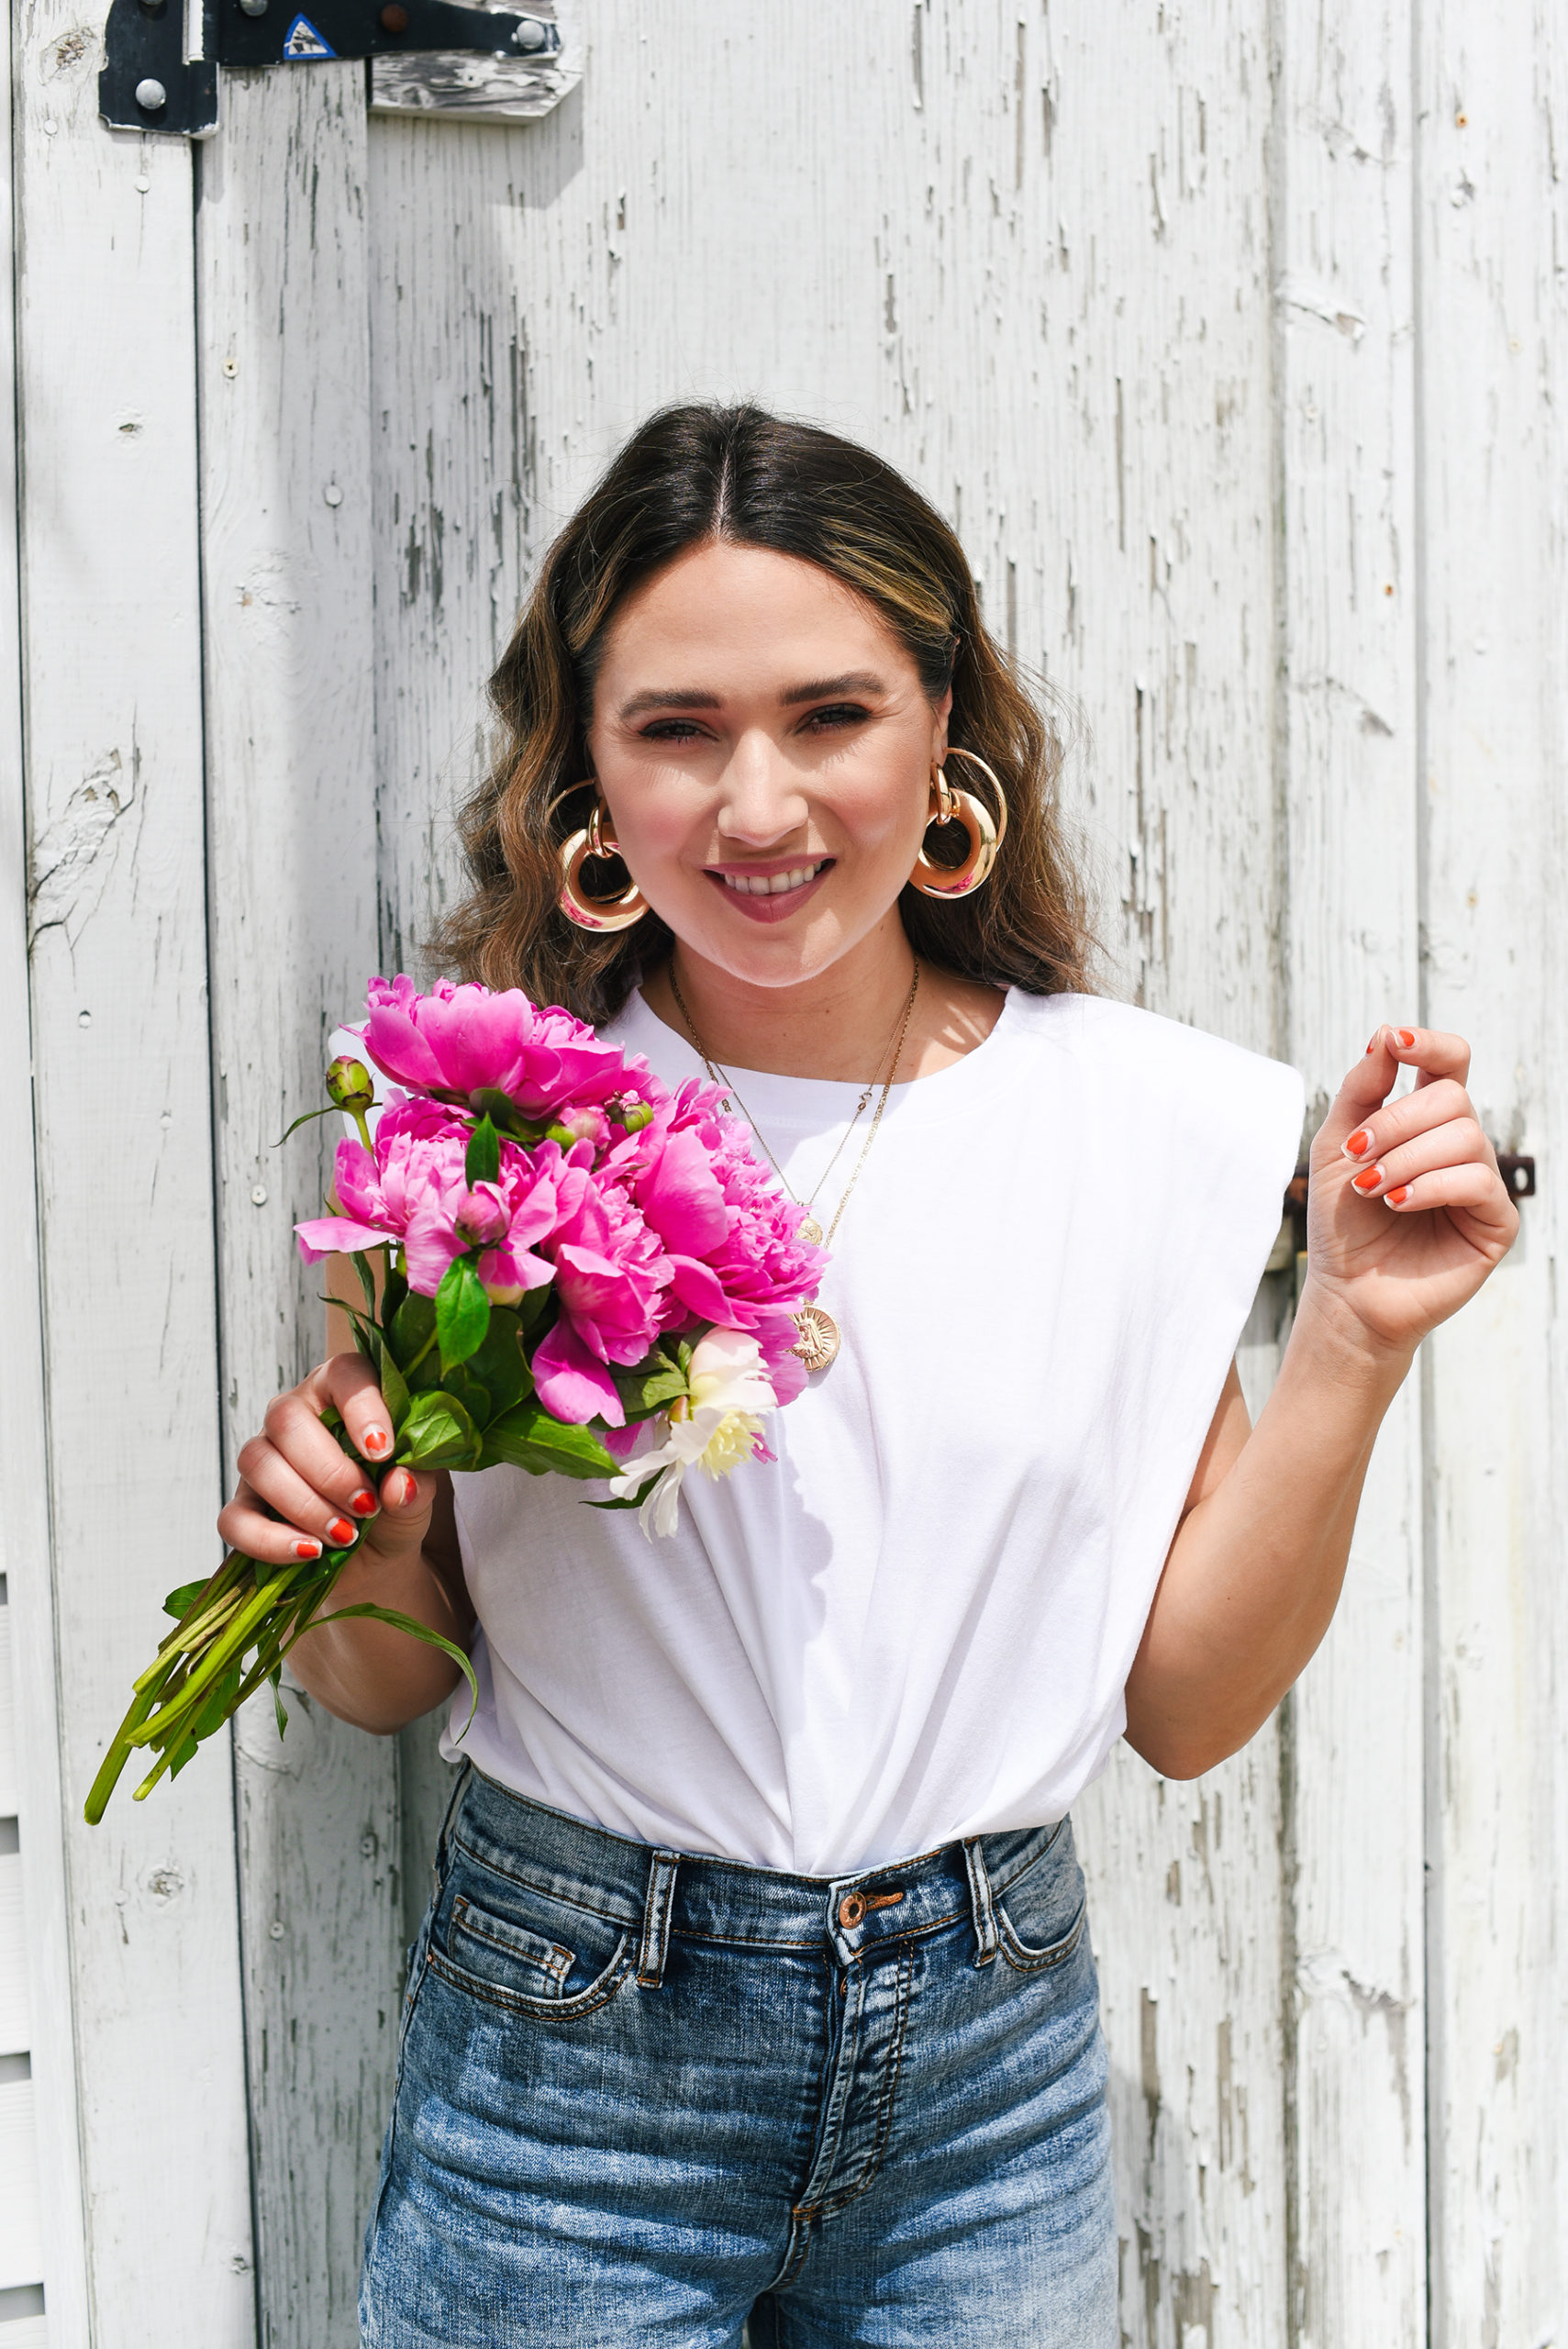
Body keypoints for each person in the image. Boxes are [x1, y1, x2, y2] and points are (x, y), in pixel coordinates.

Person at [218, 406, 1518, 2348]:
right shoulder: (478, 1132)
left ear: (944, 741)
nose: (758, 808)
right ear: (583, 772)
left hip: (991, 2078)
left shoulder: (1138, 1125)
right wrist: (345, 1548)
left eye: (829, 716)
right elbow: (383, 1677)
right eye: (676, 729)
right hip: (570, 2067)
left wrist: (1346, 1335)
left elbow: (1185, 1708)